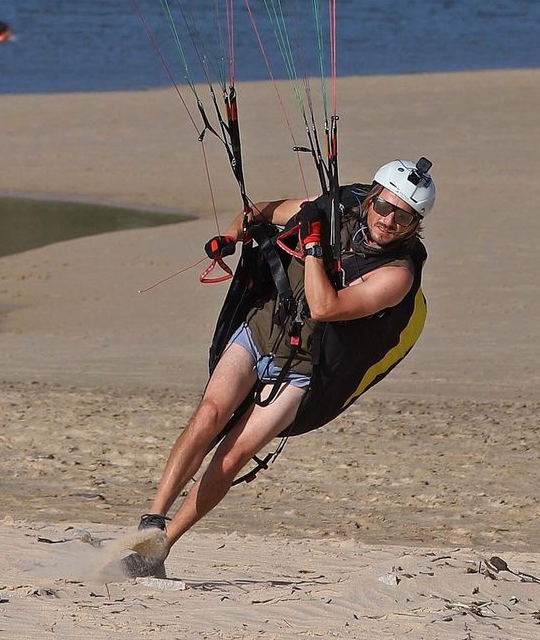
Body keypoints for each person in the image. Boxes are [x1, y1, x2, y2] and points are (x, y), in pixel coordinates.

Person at [120, 156, 434, 575]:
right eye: (385, 207)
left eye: (405, 217)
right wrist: (230, 237)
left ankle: (159, 550)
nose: (390, 220)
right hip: (264, 328)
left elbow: (325, 307)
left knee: (234, 455)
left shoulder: (397, 274)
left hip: (306, 366)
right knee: (209, 415)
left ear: (415, 225)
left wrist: (313, 248)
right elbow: (259, 213)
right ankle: (152, 522)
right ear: (372, 197)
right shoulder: (334, 207)